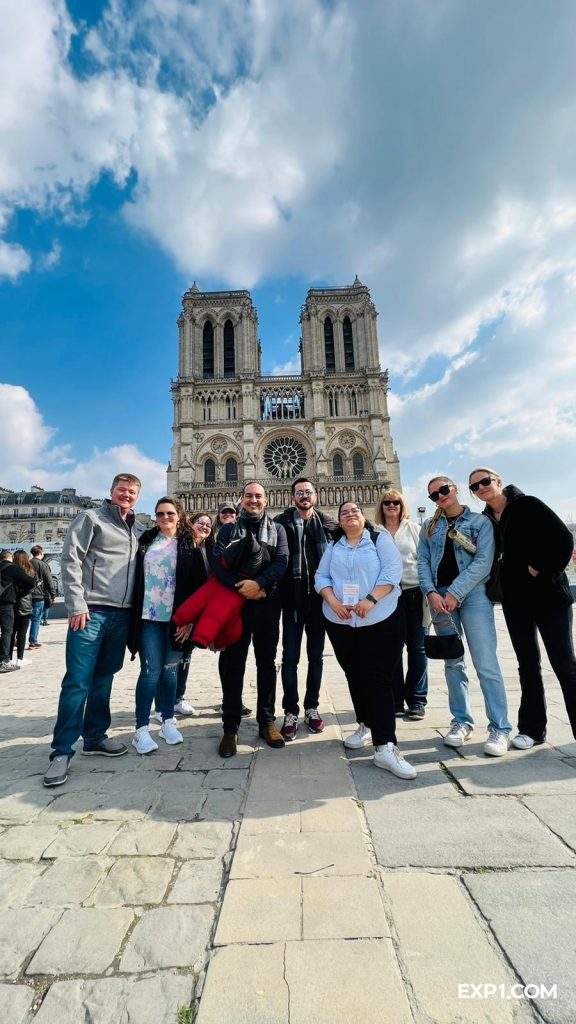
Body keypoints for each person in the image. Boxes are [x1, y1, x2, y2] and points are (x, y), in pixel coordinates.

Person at [43, 473, 142, 787]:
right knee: (77, 682)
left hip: (121, 614)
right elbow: (70, 559)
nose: (126, 495)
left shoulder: (138, 528)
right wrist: (76, 604)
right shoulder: (91, 518)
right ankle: (62, 751)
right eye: (122, 490)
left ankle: (95, 736)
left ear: (137, 496)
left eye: (132, 492)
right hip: (91, 612)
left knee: (104, 678)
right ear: (111, 491)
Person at [469, 468, 576, 748]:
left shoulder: (528, 504)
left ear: (498, 481)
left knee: (564, 665)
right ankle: (532, 730)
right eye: (474, 486)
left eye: (485, 481)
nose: (481, 488)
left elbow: (564, 540)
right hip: (515, 602)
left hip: (549, 598)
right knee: (527, 666)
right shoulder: (486, 520)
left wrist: (541, 569)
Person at [315, 501, 416, 779]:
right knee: (354, 675)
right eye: (344, 512)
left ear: (364, 516)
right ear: (339, 520)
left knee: (379, 678)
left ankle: (385, 746)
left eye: (355, 511)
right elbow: (321, 576)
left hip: (380, 618)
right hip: (342, 621)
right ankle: (365, 725)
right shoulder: (334, 546)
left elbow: (392, 572)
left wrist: (370, 599)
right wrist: (333, 601)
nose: (350, 515)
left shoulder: (379, 539)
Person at [418, 475, 512, 756]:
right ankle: (461, 722)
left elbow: (484, 562)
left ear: (455, 489)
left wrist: (455, 592)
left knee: (486, 663)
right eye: (434, 495)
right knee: (453, 663)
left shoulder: (480, 522)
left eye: (444, 490)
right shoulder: (429, 526)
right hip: (440, 600)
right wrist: (430, 592)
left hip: (473, 597)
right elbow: (422, 562)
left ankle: (500, 727)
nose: (440, 496)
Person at [213, 481, 289, 758]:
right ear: (241, 500)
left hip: (266, 603)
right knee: (233, 664)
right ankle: (230, 727)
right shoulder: (228, 530)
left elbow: (282, 562)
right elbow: (217, 564)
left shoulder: (277, 530)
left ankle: (266, 722)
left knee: (266, 664)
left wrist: (260, 584)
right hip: (235, 605)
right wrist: (242, 588)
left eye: (258, 496)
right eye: (249, 496)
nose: (253, 500)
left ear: (266, 501)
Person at [129, 498, 206, 754]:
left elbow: (199, 585)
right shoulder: (145, 541)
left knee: (170, 671)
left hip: (177, 618)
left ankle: (167, 721)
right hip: (149, 616)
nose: (165, 517)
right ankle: (141, 729)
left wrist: (191, 620)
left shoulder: (190, 544)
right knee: (150, 672)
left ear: (179, 515)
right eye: (160, 513)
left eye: (170, 513)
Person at [274, 478, 338, 740]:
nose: (304, 496)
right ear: (293, 497)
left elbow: (355, 533)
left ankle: (312, 707)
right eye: (299, 492)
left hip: (319, 602)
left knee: (316, 657)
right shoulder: (280, 523)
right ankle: (290, 711)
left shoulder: (327, 523)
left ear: (316, 496)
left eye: (308, 492)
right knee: (290, 658)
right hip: (292, 602)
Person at [375, 489, 429, 720]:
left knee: (418, 649)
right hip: (387, 597)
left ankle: (416, 700)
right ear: (381, 506)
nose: (391, 505)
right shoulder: (374, 532)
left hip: (413, 594)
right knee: (391, 649)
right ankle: (395, 700)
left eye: (395, 502)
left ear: (402, 505)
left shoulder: (415, 529)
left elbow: (425, 561)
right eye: (387, 502)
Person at [0, 551, 36, 673]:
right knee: (7, 632)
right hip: (6, 605)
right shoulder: (13, 568)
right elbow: (31, 583)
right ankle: (4, 661)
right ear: (11, 557)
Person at [9, 550, 37, 667]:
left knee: (10, 632)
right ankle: (20, 658)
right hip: (25, 604)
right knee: (22, 632)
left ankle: (9, 658)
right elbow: (31, 586)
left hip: (12, 604)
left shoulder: (11, 570)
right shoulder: (29, 570)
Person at [28, 544, 57, 650]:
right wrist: (53, 595)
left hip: (26, 595)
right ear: (40, 552)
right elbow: (49, 581)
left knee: (25, 618)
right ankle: (33, 641)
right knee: (36, 619)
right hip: (38, 595)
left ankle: (19, 639)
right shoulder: (43, 565)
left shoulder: (28, 563)